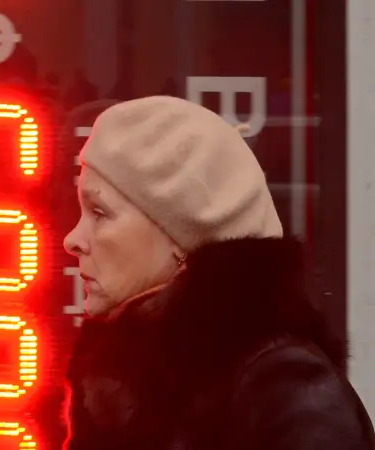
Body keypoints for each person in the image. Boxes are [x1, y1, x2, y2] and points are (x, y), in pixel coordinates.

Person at [63, 96, 375, 450]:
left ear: (180, 235)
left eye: (100, 213)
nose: (72, 240)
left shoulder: (284, 389)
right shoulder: (123, 379)